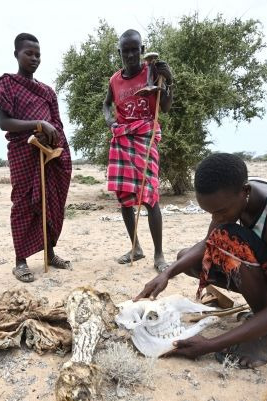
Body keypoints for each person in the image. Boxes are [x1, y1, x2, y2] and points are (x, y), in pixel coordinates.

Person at [136, 153, 267, 368]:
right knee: (187, 258)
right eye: (209, 213)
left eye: (220, 211)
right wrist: (166, 274)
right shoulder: (237, 194)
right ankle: (263, 318)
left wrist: (210, 345)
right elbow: (208, 243)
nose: (215, 219)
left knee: (228, 239)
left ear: (245, 191)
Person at [0, 33, 72, 283]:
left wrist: (52, 138)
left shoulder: (47, 91)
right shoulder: (7, 85)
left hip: (48, 156)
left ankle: (50, 253)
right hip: (23, 153)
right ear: (17, 54)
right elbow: (4, 123)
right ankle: (20, 261)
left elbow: (56, 125)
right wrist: (37, 124)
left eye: (38, 54)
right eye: (29, 53)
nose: (34, 58)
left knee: (50, 202)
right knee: (24, 204)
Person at [102, 29, 174, 273]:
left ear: (142, 50)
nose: (131, 54)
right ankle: (135, 248)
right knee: (124, 197)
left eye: (135, 49)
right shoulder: (114, 80)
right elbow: (106, 104)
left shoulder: (152, 72)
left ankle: (159, 254)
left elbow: (164, 107)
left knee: (150, 195)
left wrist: (169, 82)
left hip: (146, 136)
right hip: (122, 137)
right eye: (126, 50)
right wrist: (110, 121)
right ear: (119, 52)